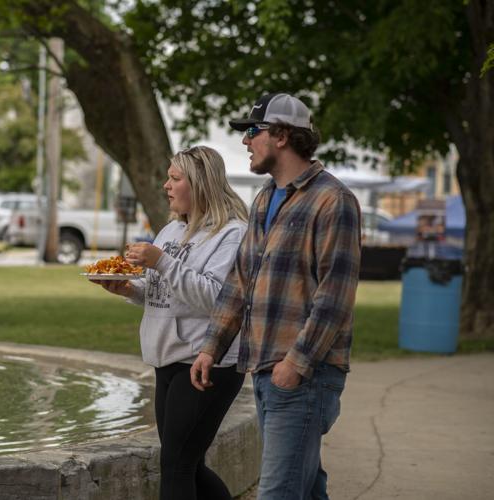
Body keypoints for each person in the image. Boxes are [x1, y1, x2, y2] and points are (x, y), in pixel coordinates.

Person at [190, 93, 362, 500]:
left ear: (282, 136)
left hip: (303, 374)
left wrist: (296, 364)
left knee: (278, 492)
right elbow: (239, 282)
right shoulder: (265, 198)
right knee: (305, 488)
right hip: (268, 370)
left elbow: (335, 298)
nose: (246, 142)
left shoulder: (333, 201)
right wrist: (210, 348)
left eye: (253, 131)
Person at [96, 146, 249, 500]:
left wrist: (161, 262)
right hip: (167, 359)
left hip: (206, 360)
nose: (166, 185)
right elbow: (163, 293)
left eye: (175, 178)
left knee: (177, 465)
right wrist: (128, 290)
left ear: (200, 184)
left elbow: (219, 300)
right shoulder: (170, 230)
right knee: (187, 464)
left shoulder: (233, 234)